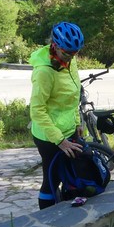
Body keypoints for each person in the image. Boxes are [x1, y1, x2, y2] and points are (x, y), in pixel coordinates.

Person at [29, 21, 85, 209]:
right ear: (54, 45)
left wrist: (77, 121)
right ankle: (48, 224)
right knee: (51, 180)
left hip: (68, 129)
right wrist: (60, 141)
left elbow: (73, 95)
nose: (70, 58)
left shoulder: (70, 60)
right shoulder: (44, 71)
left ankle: (68, 215)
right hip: (49, 137)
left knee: (71, 175)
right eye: (66, 53)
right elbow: (37, 110)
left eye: (75, 53)